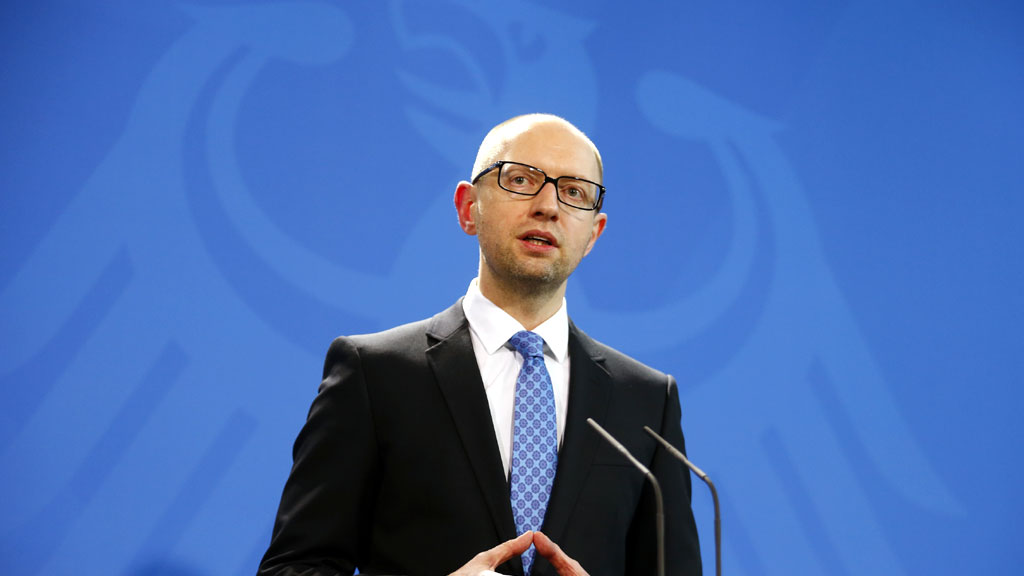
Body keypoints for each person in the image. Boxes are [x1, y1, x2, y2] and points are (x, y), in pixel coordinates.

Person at [258, 114, 702, 576]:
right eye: (521, 180)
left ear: (593, 233)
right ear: (469, 208)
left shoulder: (646, 401)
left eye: (574, 192)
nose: (548, 206)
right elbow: (293, 568)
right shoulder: (375, 374)